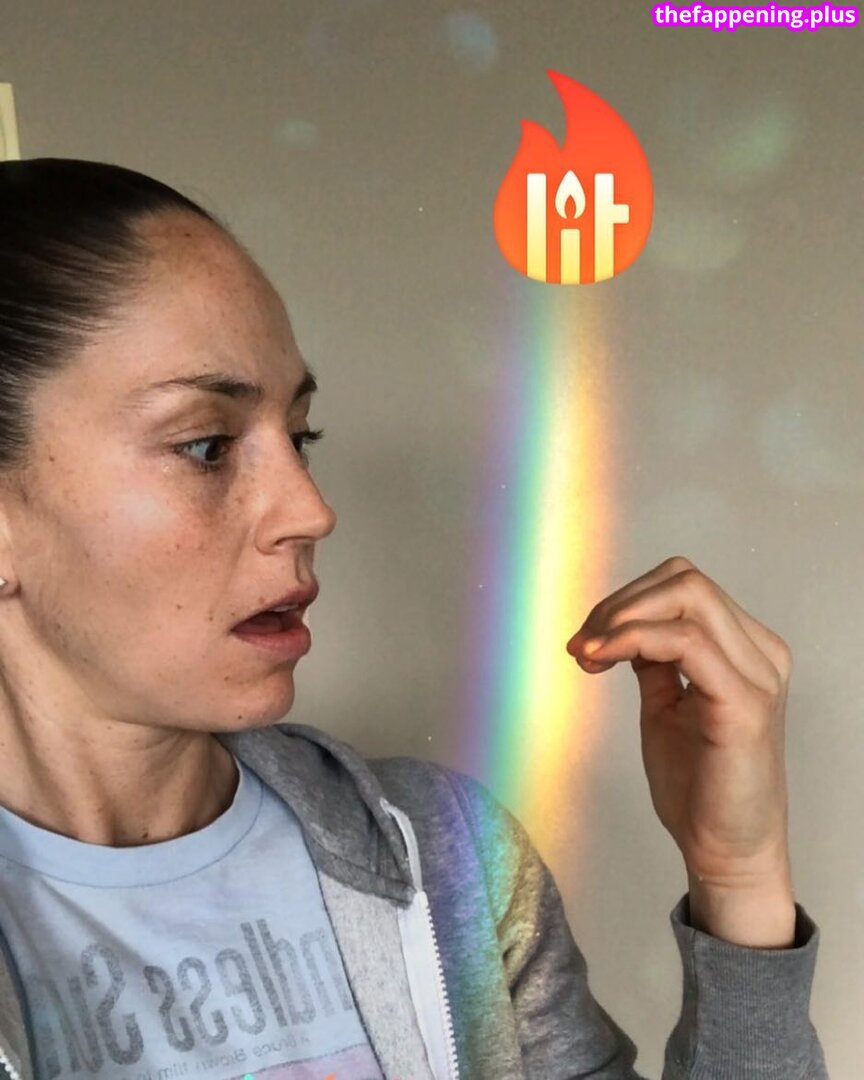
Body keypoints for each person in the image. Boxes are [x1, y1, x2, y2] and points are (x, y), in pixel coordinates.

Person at [0, 158, 828, 1080]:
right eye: (206, 445)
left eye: (300, 437)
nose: (310, 510)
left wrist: (739, 879)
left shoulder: (447, 859)